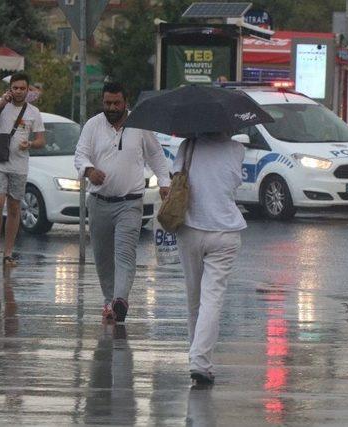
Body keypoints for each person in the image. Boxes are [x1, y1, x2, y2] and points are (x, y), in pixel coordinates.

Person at [74, 82, 170, 323]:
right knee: (103, 258)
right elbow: (80, 154)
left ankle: (120, 300)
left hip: (130, 203)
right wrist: (88, 170)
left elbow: (156, 155)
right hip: (98, 202)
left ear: (126, 102)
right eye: (107, 103)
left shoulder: (140, 125)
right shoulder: (93, 125)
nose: (112, 107)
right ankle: (109, 301)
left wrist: (165, 181)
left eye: (117, 103)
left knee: (125, 254)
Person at [172, 132, 246, 385]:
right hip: (224, 232)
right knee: (211, 299)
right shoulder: (236, 149)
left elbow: (176, 178)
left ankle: (198, 360)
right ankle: (200, 362)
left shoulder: (187, 145)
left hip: (190, 229)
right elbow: (234, 183)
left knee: (194, 299)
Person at [0, 72, 45, 267]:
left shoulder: (33, 112)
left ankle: (8, 252)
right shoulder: (0, 103)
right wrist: (0, 103)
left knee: (14, 207)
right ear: (10, 89)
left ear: (28, 90)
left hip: (19, 166)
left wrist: (30, 143)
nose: (19, 91)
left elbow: (41, 140)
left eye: (23, 88)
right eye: (15, 88)